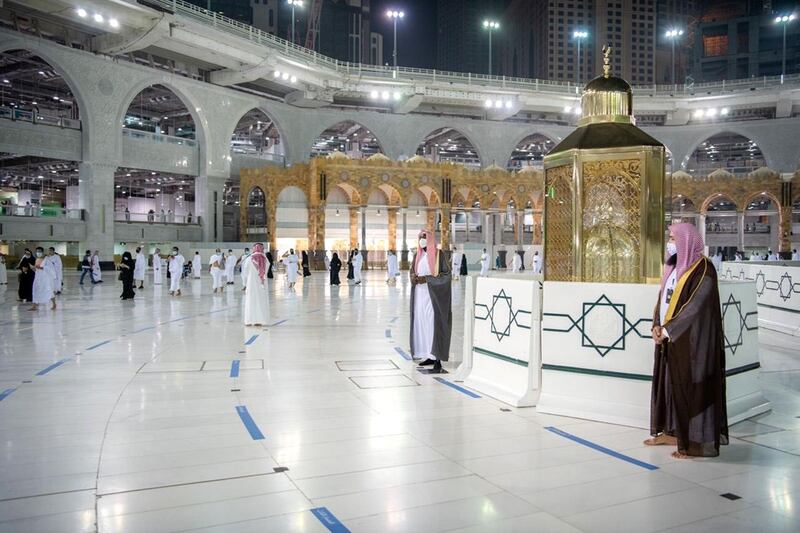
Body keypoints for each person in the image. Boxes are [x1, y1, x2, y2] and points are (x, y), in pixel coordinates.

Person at [647, 223, 728, 459]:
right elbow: (663, 298)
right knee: (669, 386)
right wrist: (656, 324)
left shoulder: (703, 269)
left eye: (673, 238)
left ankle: (695, 444)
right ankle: (672, 432)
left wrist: (669, 330)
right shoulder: (673, 265)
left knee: (692, 388)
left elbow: (696, 307)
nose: (670, 242)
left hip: (692, 342)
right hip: (668, 338)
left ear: (687, 240)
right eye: (669, 237)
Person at [410, 229, 452, 373]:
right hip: (420, 297)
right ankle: (429, 355)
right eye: (420, 237)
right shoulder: (418, 255)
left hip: (433, 297)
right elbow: (412, 270)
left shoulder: (439, 255)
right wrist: (413, 277)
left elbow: (446, 275)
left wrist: (427, 279)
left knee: (433, 324)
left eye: (424, 237)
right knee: (422, 324)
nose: (422, 240)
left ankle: (437, 358)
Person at [243, 243, 269, 326]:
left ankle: (249, 321)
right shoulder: (265, 259)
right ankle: (259, 320)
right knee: (261, 301)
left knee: (251, 300)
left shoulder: (249, 259)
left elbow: (245, 271)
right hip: (262, 283)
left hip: (251, 283)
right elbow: (266, 270)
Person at [30, 247, 56, 311]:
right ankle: (34, 306)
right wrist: (33, 268)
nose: (38, 253)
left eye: (39, 251)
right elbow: (36, 269)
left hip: (45, 278)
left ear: (42, 252)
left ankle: (54, 304)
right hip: (38, 277)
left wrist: (41, 267)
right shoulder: (37, 259)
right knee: (35, 290)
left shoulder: (47, 259)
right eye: (37, 251)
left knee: (48, 291)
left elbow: (50, 268)